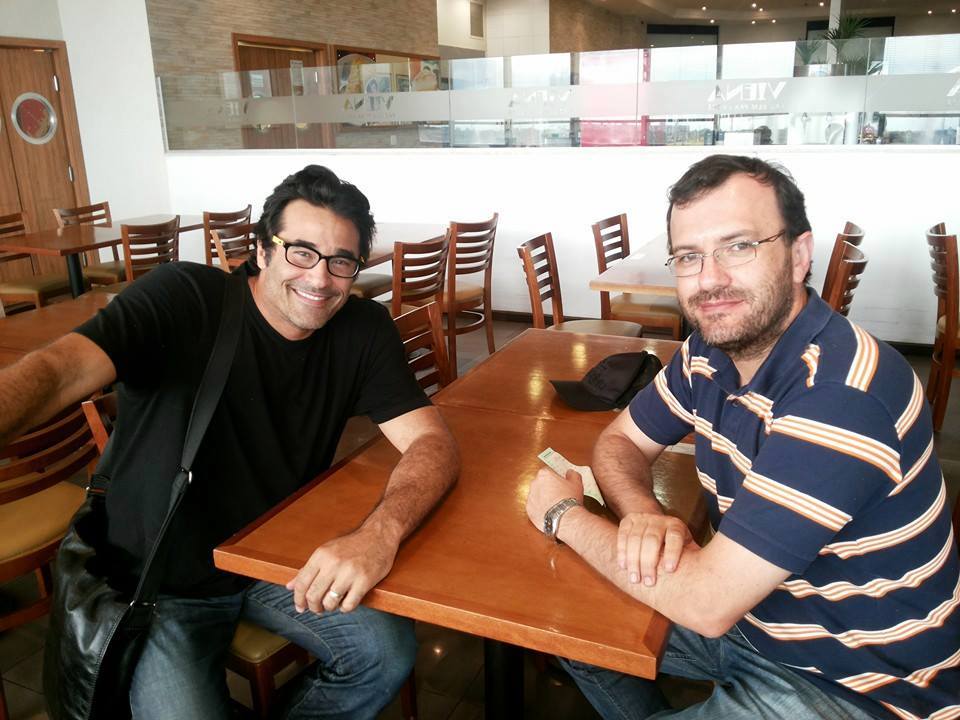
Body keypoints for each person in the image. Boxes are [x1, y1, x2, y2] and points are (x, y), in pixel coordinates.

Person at [0, 165, 459, 719]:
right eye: (301, 252)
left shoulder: (362, 329)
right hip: (162, 581)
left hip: (273, 559)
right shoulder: (184, 299)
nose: (320, 279)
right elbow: (59, 370)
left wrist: (378, 535)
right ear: (262, 250)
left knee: (387, 653)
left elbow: (432, 442)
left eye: (341, 261)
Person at [526, 155, 959, 720]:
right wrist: (642, 515)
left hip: (859, 683)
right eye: (689, 256)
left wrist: (562, 514)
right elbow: (620, 443)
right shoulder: (708, 351)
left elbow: (706, 604)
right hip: (754, 615)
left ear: (799, 256)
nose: (710, 279)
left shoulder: (841, 395)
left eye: (738, 246)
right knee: (567, 627)